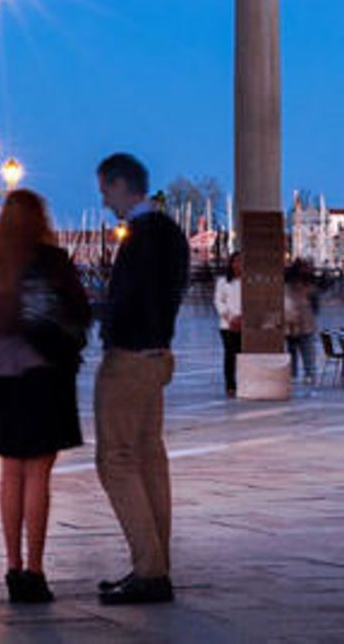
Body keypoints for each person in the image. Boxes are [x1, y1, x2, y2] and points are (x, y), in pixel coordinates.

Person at [0, 189, 90, 604]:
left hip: (4, 373)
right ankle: (35, 571)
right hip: (46, 373)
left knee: (11, 471)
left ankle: (12, 564)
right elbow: (79, 311)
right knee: (39, 473)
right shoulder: (53, 262)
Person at [93, 152, 188, 606]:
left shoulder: (140, 238)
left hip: (129, 358)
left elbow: (128, 299)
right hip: (158, 354)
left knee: (116, 458)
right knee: (150, 457)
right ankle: (157, 564)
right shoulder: (172, 233)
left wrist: (103, 321)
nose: (103, 200)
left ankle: (149, 570)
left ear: (119, 185)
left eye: (105, 190)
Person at [283, 259, 319, 385]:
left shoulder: (307, 287)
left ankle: (305, 374)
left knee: (303, 351)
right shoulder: (294, 287)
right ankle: (303, 375)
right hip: (294, 325)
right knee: (300, 351)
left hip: (301, 325)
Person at [213, 254, 242, 397]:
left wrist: (242, 317)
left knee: (242, 355)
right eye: (236, 262)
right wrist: (229, 317)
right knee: (230, 355)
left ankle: (244, 382)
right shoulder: (223, 282)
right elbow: (219, 301)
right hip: (228, 324)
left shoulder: (247, 282)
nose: (238, 265)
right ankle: (230, 385)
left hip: (244, 323)